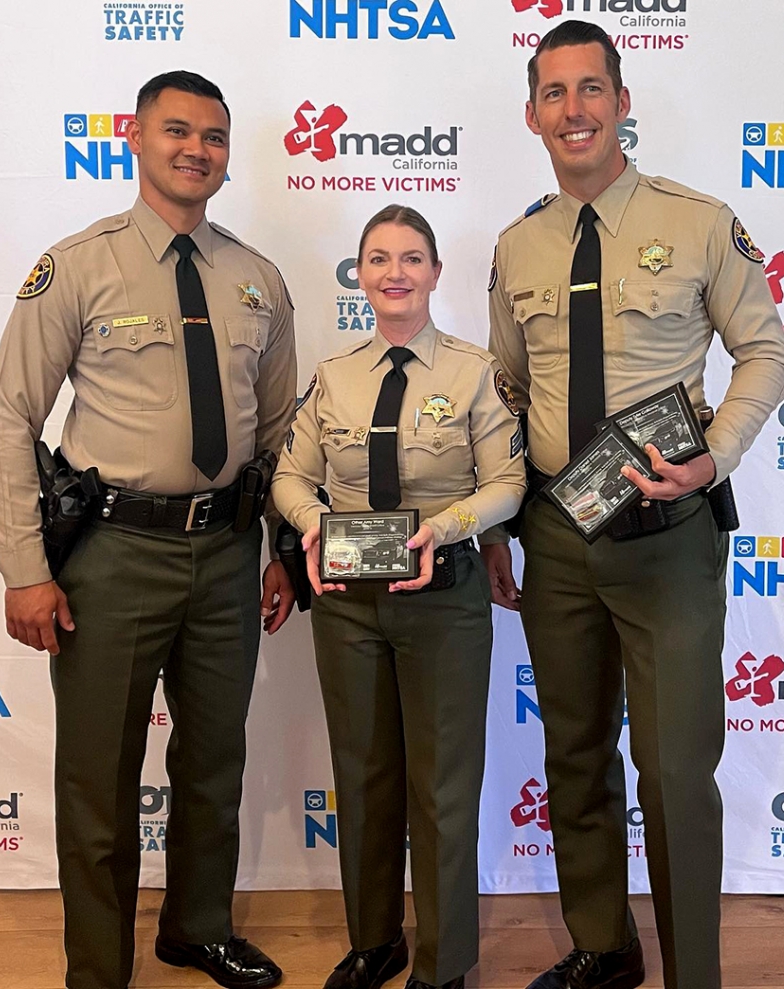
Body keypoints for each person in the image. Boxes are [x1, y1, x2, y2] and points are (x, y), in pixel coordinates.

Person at [480, 21, 784, 989]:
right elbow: (504, 385)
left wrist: (712, 459)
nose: (572, 110)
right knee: (573, 754)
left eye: (590, 90)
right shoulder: (516, 245)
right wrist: (497, 523)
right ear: (530, 114)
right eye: (553, 93)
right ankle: (603, 945)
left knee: (670, 772)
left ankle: (690, 971)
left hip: (666, 538)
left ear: (622, 103)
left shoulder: (697, 222)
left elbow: (766, 354)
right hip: (555, 534)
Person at [0, 70, 297, 989]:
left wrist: (284, 551)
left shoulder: (257, 279)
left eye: (213, 136)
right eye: (177, 131)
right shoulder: (78, 266)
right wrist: (22, 566)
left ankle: (197, 926)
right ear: (134, 136)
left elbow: (281, 436)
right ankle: (97, 967)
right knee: (98, 777)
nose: (196, 149)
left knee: (214, 760)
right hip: (111, 557)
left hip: (230, 552)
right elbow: (11, 417)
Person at [273, 205, 526, 989]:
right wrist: (314, 525)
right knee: (364, 774)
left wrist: (446, 527)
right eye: (379, 258)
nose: (395, 273)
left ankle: (445, 963)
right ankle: (374, 940)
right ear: (360, 274)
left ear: (436, 273)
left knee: (443, 786)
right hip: (348, 603)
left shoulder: (472, 371)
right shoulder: (334, 376)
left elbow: (509, 483)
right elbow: (288, 474)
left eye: (412, 258)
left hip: (443, 600)